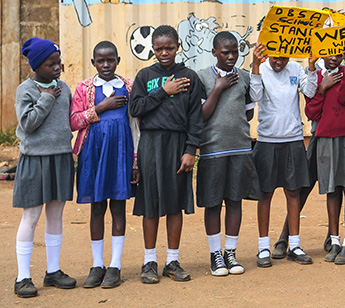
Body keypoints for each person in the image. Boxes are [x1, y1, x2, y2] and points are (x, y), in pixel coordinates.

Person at [130, 25, 203, 284]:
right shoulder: (144, 75)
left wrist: (191, 150)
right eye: (159, 48)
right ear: (152, 49)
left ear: (178, 45)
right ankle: (150, 261)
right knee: (150, 203)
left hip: (178, 144)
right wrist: (163, 91)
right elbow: (136, 108)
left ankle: (172, 261)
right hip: (151, 143)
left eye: (169, 48)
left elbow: (196, 117)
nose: (164, 53)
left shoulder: (189, 77)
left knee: (175, 203)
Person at [70, 41, 136, 289]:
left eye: (110, 60)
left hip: (121, 154)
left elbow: (135, 125)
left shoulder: (129, 86)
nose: (106, 65)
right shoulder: (84, 88)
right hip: (93, 154)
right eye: (100, 61)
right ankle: (97, 265)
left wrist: (135, 161)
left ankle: (115, 266)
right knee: (97, 207)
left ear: (118, 60)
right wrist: (100, 107)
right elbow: (74, 121)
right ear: (93, 62)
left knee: (118, 208)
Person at [13, 38, 75, 298]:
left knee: (56, 215)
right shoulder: (25, 90)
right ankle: (23, 277)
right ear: (37, 65)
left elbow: (68, 121)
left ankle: (53, 271)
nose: (57, 68)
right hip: (35, 159)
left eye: (58, 63)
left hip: (61, 157)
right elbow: (28, 124)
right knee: (32, 216)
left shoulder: (65, 88)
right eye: (51, 64)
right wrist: (46, 98)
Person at [197, 32, 261, 277]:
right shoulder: (203, 78)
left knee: (235, 201)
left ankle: (230, 253)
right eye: (226, 52)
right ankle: (216, 255)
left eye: (235, 52)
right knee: (213, 203)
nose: (231, 57)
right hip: (213, 151)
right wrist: (218, 88)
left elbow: (248, 113)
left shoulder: (243, 77)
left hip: (240, 149)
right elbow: (202, 115)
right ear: (214, 53)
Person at [249, 44, 316, 268]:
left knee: (293, 193)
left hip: (293, 139)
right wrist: (256, 66)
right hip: (267, 141)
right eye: (276, 58)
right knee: (265, 195)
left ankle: (294, 245)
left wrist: (312, 67)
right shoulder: (260, 69)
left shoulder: (296, 69)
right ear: (268, 54)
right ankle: (263, 247)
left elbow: (310, 91)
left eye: (284, 58)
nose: (280, 62)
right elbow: (255, 95)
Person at [305, 49, 345, 265]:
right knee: (332, 189)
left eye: (338, 54)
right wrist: (321, 88)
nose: (333, 58)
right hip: (325, 138)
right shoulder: (314, 78)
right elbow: (311, 113)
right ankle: (334, 240)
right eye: (328, 53)